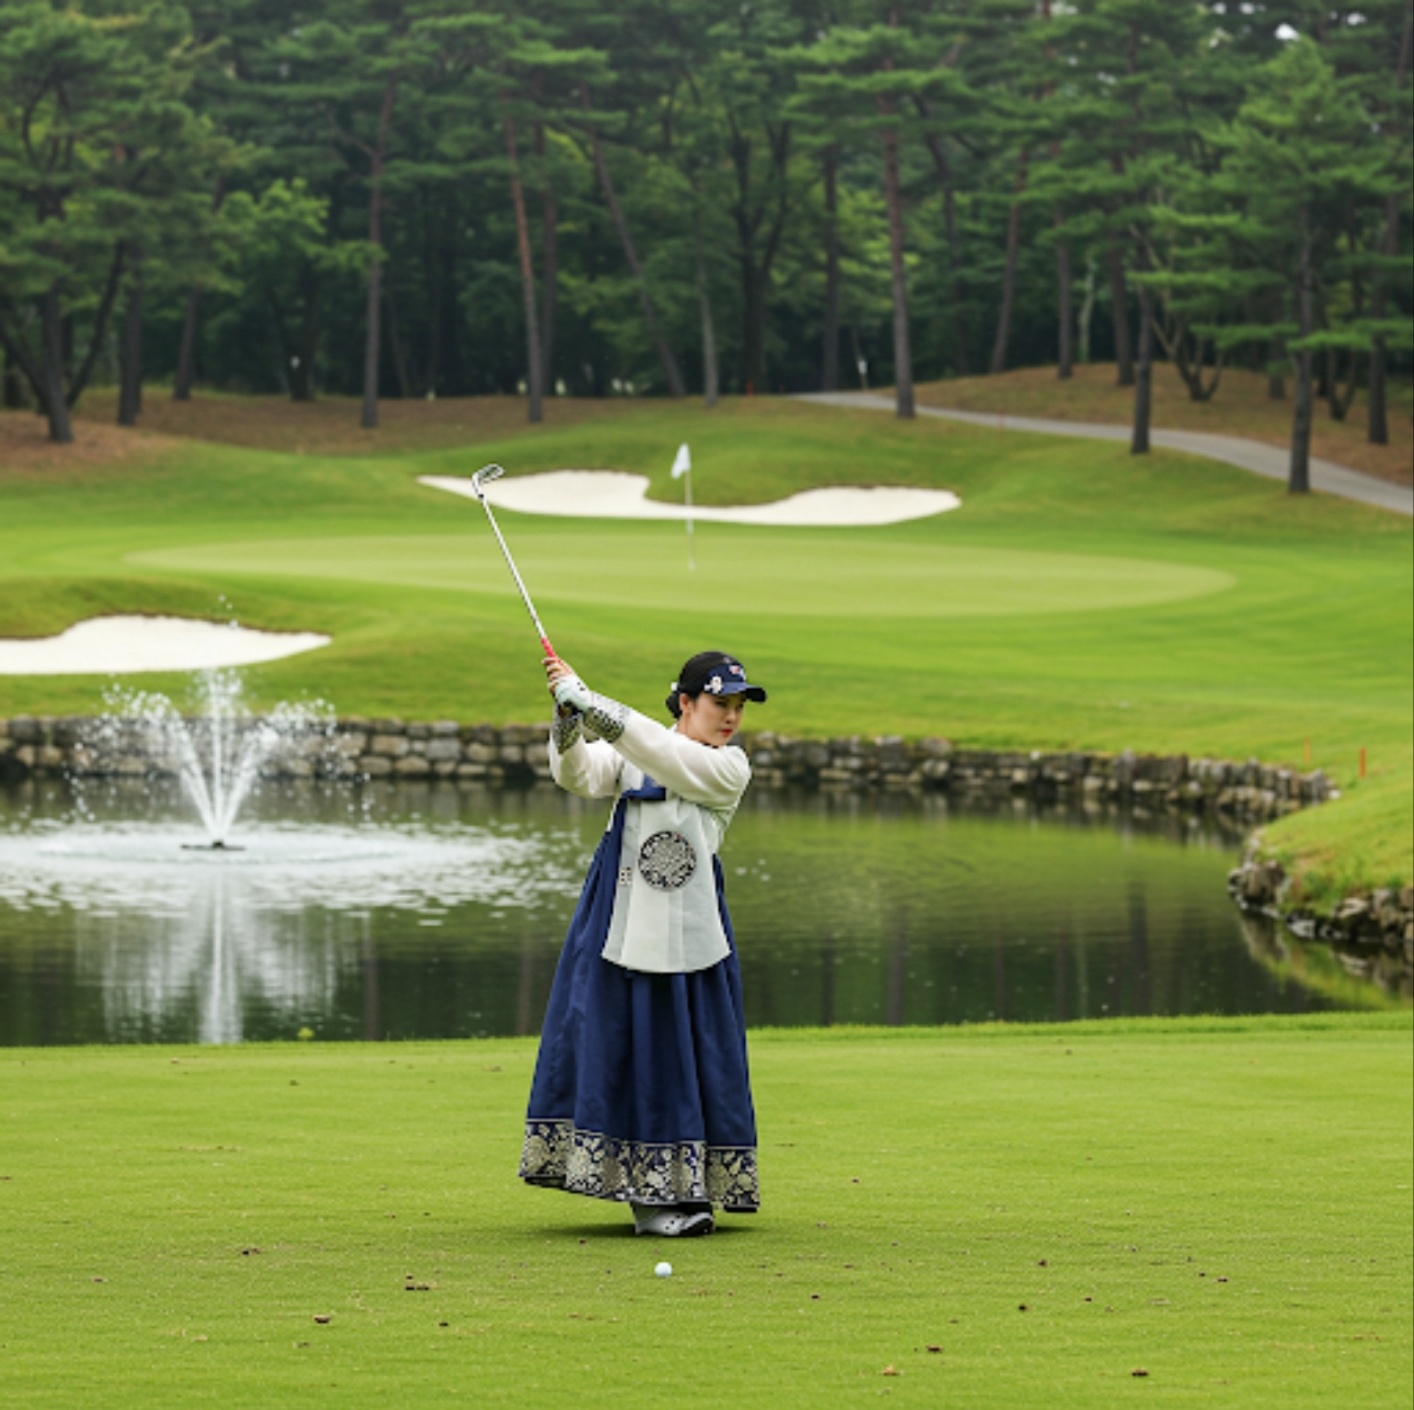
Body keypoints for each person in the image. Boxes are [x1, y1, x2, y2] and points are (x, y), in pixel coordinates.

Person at [518, 649, 768, 1237]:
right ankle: (650, 1200)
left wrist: (595, 702)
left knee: (690, 1053)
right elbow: (577, 774)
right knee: (629, 1050)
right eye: (719, 703)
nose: (730, 717)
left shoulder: (728, 767)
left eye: (738, 707)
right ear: (686, 702)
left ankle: (690, 1186)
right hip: (620, 922)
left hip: (692, 934)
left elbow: (663, 753)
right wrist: (568, 719)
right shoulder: (635, 753)